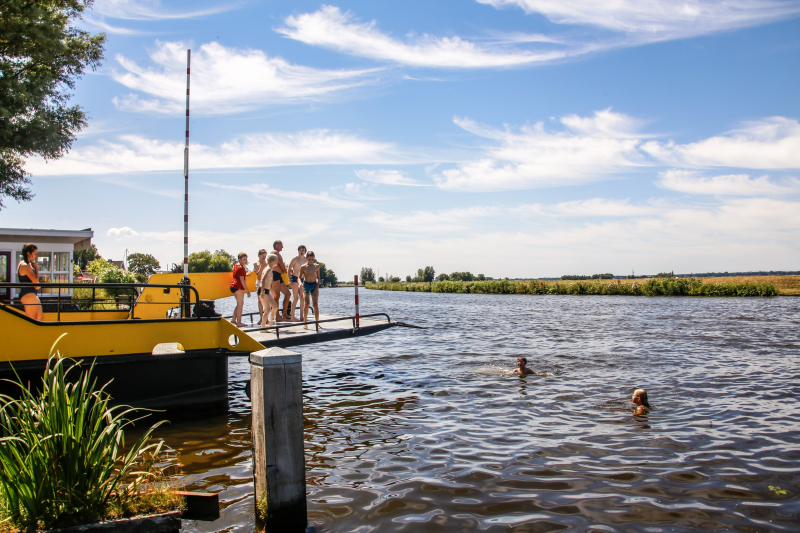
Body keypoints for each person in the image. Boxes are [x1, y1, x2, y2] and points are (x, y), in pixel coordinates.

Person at [17, 243, 42, 321]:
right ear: (28, 253)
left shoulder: (28, 264)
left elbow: (35, 283)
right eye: (34, 254)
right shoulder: (25, 265)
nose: (36, 256)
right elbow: (35, 281)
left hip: (32, 294)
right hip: (28, 295)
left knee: (39, 318)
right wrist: (36, 268)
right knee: (32, 321)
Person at [270, 240, 292, 321]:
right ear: (276, 245)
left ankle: (284, 313)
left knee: (288, 294)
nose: (282, 247)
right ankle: (277, 316)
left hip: (279, 275)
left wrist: (286, 269)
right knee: (277, 295)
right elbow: (281, 265)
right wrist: (285, 269)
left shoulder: (277, 253)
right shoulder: (274, 252)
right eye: (281, 245)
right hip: (274, 275)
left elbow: (282, 266)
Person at [299, 251, 321, 330]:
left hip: (314, 285)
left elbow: (318, 278)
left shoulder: (317, 266)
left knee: (315, 304)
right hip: (306, 285)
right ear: (306, 258)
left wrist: (317, 288)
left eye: (312, 259)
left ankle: (317, 323)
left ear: (314, 258)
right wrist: (300, 283)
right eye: (309, 259)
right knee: (307, 303)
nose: (311, 261)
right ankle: (305, 321)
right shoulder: (303, 267)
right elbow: (299, 277)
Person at [230, 252, 251, 327]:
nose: (245, 261)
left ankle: (233, 319)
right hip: (238, 287)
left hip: (233, 286)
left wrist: (245, 274)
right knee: (240, 305)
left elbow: (238, 275)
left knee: (239, 304)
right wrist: (247, 291)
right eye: (244, 259)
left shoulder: (236, 265)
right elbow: (242, 280)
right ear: (239, 259)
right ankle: (239, 322)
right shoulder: (242, 268)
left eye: (246, 259)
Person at [259, 254, 279, 328]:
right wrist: (262, 292)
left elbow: (268, 282)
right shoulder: (268, 269)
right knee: (267, 310)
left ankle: (270, 322)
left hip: (267, 290)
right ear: (273, 261)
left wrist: (271, 290)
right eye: (277, 260)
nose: (277, 262)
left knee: (275, 306)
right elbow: (263, 280)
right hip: (263, 290)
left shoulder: (270, 269)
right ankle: (263, 328)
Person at [288, 245, 308, 320]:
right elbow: (289, 269)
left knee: (302, 298)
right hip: (294, 278)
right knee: (295, 297)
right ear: (298, 251)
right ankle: (292, 316)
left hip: (302, 279)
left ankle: (302, 316)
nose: (301, 251)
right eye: (300, 250)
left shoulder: (306, 260)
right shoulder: (295, 259)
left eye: (303, 250)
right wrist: (289, 280)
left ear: (305, 251)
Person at [253, 249, 268, 317]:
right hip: (259, 283)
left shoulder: (267, 264)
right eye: (262, 256)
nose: (264, 257)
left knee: (266, 300)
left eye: (265, 256)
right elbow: (258, 274)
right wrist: (262, 266)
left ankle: (266, 317)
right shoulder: (256, 264)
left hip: (266, 284)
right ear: (259, 255)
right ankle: (261, 317)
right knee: (260, 301)